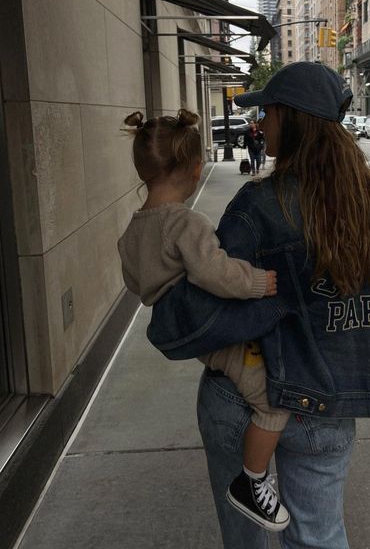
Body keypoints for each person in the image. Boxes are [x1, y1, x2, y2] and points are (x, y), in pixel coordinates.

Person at [146, 62, 370, 549]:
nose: (261, 124)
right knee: (319, 536)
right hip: (329, 403)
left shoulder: (259, 207)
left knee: (245, 536)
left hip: (245, 398)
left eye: (268, 113)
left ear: (290, 119)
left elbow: (197, 318)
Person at [117, 109, 290, 532]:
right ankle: (253, 480)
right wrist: (257, 283)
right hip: (218, 332)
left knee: (236, 368)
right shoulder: (185, 223)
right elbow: (215, 272)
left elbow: (136, 284)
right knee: (270, 401)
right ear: (196, 170)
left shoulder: (130, 234)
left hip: (185, 331)